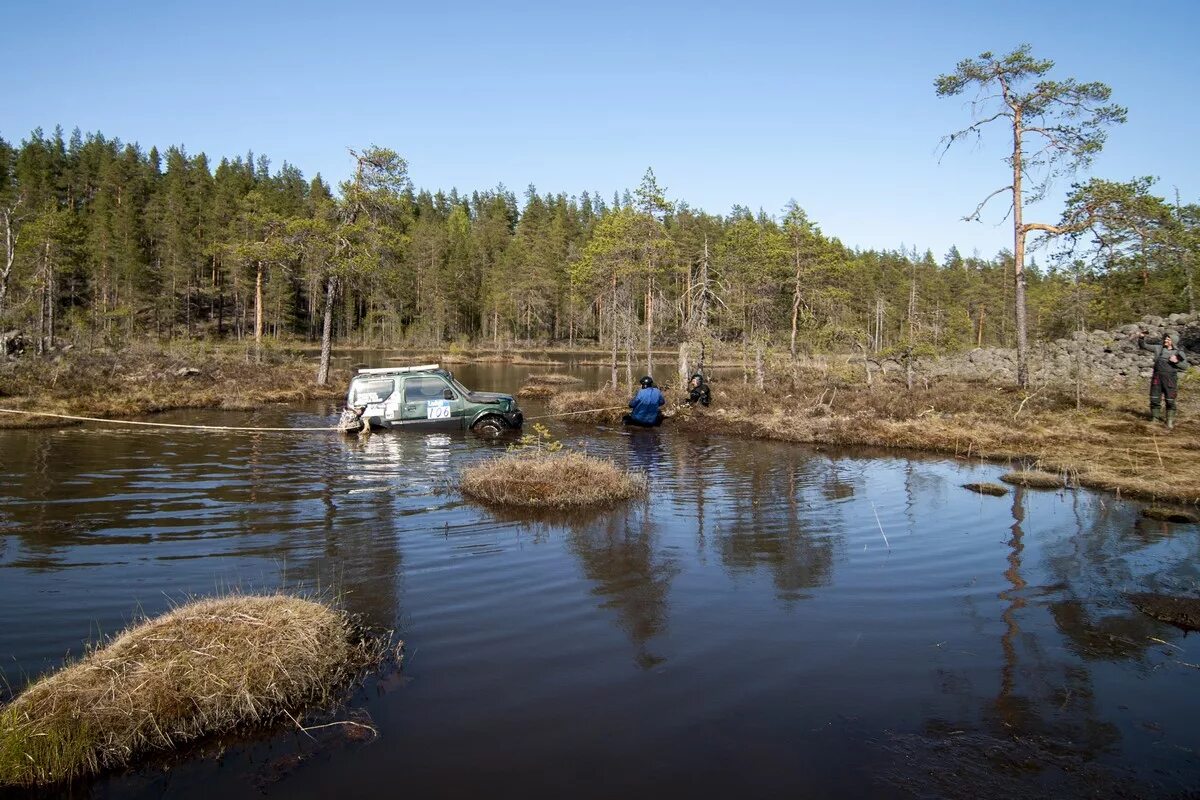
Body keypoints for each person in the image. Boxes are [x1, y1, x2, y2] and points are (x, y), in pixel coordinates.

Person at [1138, 330, 1189, 429]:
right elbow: (1144, 345)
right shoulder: (1159, 348)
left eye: (1168, 339)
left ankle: (1169, 421)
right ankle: (1155, 419)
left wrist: (1176, 362)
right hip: (1157, 378)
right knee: (1154, 399)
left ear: (1173, 341)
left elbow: (1185, 367)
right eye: (1166, 338)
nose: (1166, 340)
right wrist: (1141, 337)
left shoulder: (1179, 352)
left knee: (1170, 401)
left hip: (1170, 380)